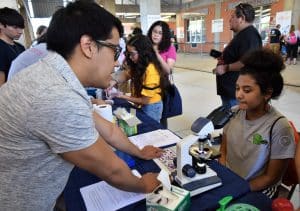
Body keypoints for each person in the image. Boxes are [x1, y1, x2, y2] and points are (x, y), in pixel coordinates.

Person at [0, 1, 162, 210]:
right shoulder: (57, 95)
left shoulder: (55, 75)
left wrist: (138, 152)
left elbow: (109, 130)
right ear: (89, 46)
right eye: (115, 50)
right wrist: (142, 184)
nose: (116, 63)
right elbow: (110, 170)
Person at [219, 48, 296, 199]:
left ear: (267, 93)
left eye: (247, 90)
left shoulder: (279, 127)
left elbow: (271, 178)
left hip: (259, 189)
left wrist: (239, 188)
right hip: (231, 181)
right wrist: (224, 175)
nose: (239, 95)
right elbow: (223, 150)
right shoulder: (233, 112)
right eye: (237, 88)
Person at [212, 3, 262, 110]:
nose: (229, 20)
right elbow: (239, 56)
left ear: (241, 18)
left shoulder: (250, 36)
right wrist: (223, 57)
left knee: (234, 120)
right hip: (230, 90)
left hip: (235, 91)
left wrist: (225, 67)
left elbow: (248, 62)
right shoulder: (243, 35)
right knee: (230, 120)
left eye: (232, 17)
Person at [115, 34, 165, 123]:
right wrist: (112, 80)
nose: (130, 57)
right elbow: (127, 75)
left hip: (150, 107)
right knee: (133, 124)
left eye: (132, 54)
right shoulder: (139, 64)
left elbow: (144, 101)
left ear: (143, 52)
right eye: (128, 54)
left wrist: (122, 96)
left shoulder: (151, 71)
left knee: (148, 130)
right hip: (138, 103)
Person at [0, 7, 25, 86]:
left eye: (21, 27)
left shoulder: (20, 47)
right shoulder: (1, 48)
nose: (20, 31)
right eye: (15, 27)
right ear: (1, 25)